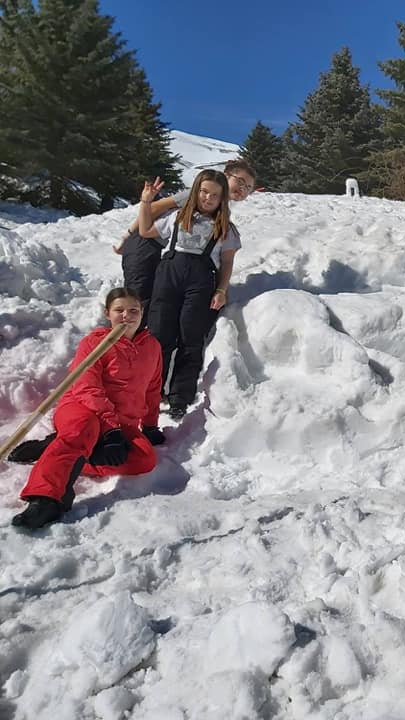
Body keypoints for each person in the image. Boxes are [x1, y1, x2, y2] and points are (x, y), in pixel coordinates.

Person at [11, 288, 165, 530]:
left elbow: (153, 388)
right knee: (82, 429)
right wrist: (110, 431)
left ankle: (55, 451)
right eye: (119, 310)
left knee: (144, 459)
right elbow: (87, 388)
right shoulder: (94, 343)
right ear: (107, 314)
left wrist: (149, 425)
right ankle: (46, 498)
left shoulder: (153, 346)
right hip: (81, 409)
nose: (127, 316)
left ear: (142, 313)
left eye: (133, 310)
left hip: (121, 422)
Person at [139, 170, 237, 420]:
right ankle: (151, 392)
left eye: (214, 195)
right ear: (195, 191)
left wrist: (221, 290)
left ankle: (180, 397)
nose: (207, 198)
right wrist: (146, 202)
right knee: (159, 335)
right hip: (168, 276)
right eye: (204, 192)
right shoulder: (176, 217)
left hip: (201, 281)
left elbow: (226, 262)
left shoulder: (225, 227)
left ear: (222, 199)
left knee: (190, 338)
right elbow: (145, 230)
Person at [115, 159, 256, 325]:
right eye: (239, 181)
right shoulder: (196, 193)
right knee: (138, 299)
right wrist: (128, 235)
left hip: (166, 253)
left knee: (154, 301)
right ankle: (122, 343)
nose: (242, 189)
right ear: (225, 175)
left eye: (248, 187)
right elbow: (154, 207)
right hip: (147, 243)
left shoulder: (221, 208)